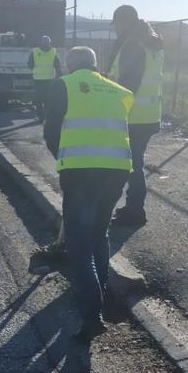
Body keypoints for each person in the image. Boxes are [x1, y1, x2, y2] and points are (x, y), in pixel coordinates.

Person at [43, 46, 134, 343]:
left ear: (69, 65)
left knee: (79, 247)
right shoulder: (118, 90)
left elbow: (51, 132)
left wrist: (64, 158)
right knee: (99, 233)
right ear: (95, 64)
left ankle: (92, 317)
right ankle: (100, 292)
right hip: (117, 169)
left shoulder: (63, 85)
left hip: (81, 172)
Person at [106, 5, 164, 227]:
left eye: (117, 24)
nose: (115, 30)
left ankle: (135, 212)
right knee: (134, 163)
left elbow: (128, 85)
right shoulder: (152, 44)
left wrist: (113, 109)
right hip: (149, 115)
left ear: (124, 23)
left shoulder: (132, 45)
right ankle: (133, 207)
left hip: (132, 116)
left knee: (132, 165)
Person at [28, 35, 62, 122]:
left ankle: (40, 117)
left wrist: (36, 69)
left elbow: (30, 64)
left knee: (38, 100)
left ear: (41, 42)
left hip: (38, 79)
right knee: (48, 100)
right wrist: (59, 75)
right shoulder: (53, 51)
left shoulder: (35, 51)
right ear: (50, 42)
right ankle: (48, 117)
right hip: (50, 79)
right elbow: (57, 65)